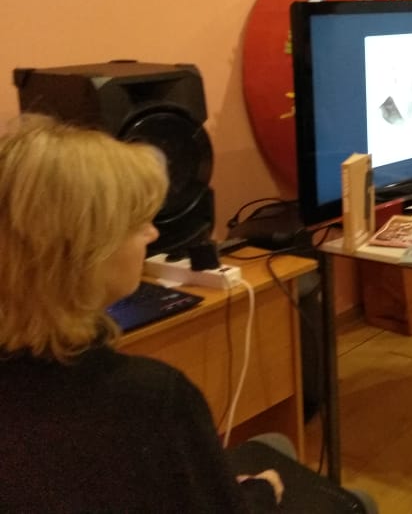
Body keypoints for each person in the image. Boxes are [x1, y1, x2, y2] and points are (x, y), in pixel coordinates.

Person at [0, 115, 377, 513]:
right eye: (137, 223)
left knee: (275, 443)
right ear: (85, 250)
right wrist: (260, 492)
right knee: (358, 500)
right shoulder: (151, 397)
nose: (153, 234)